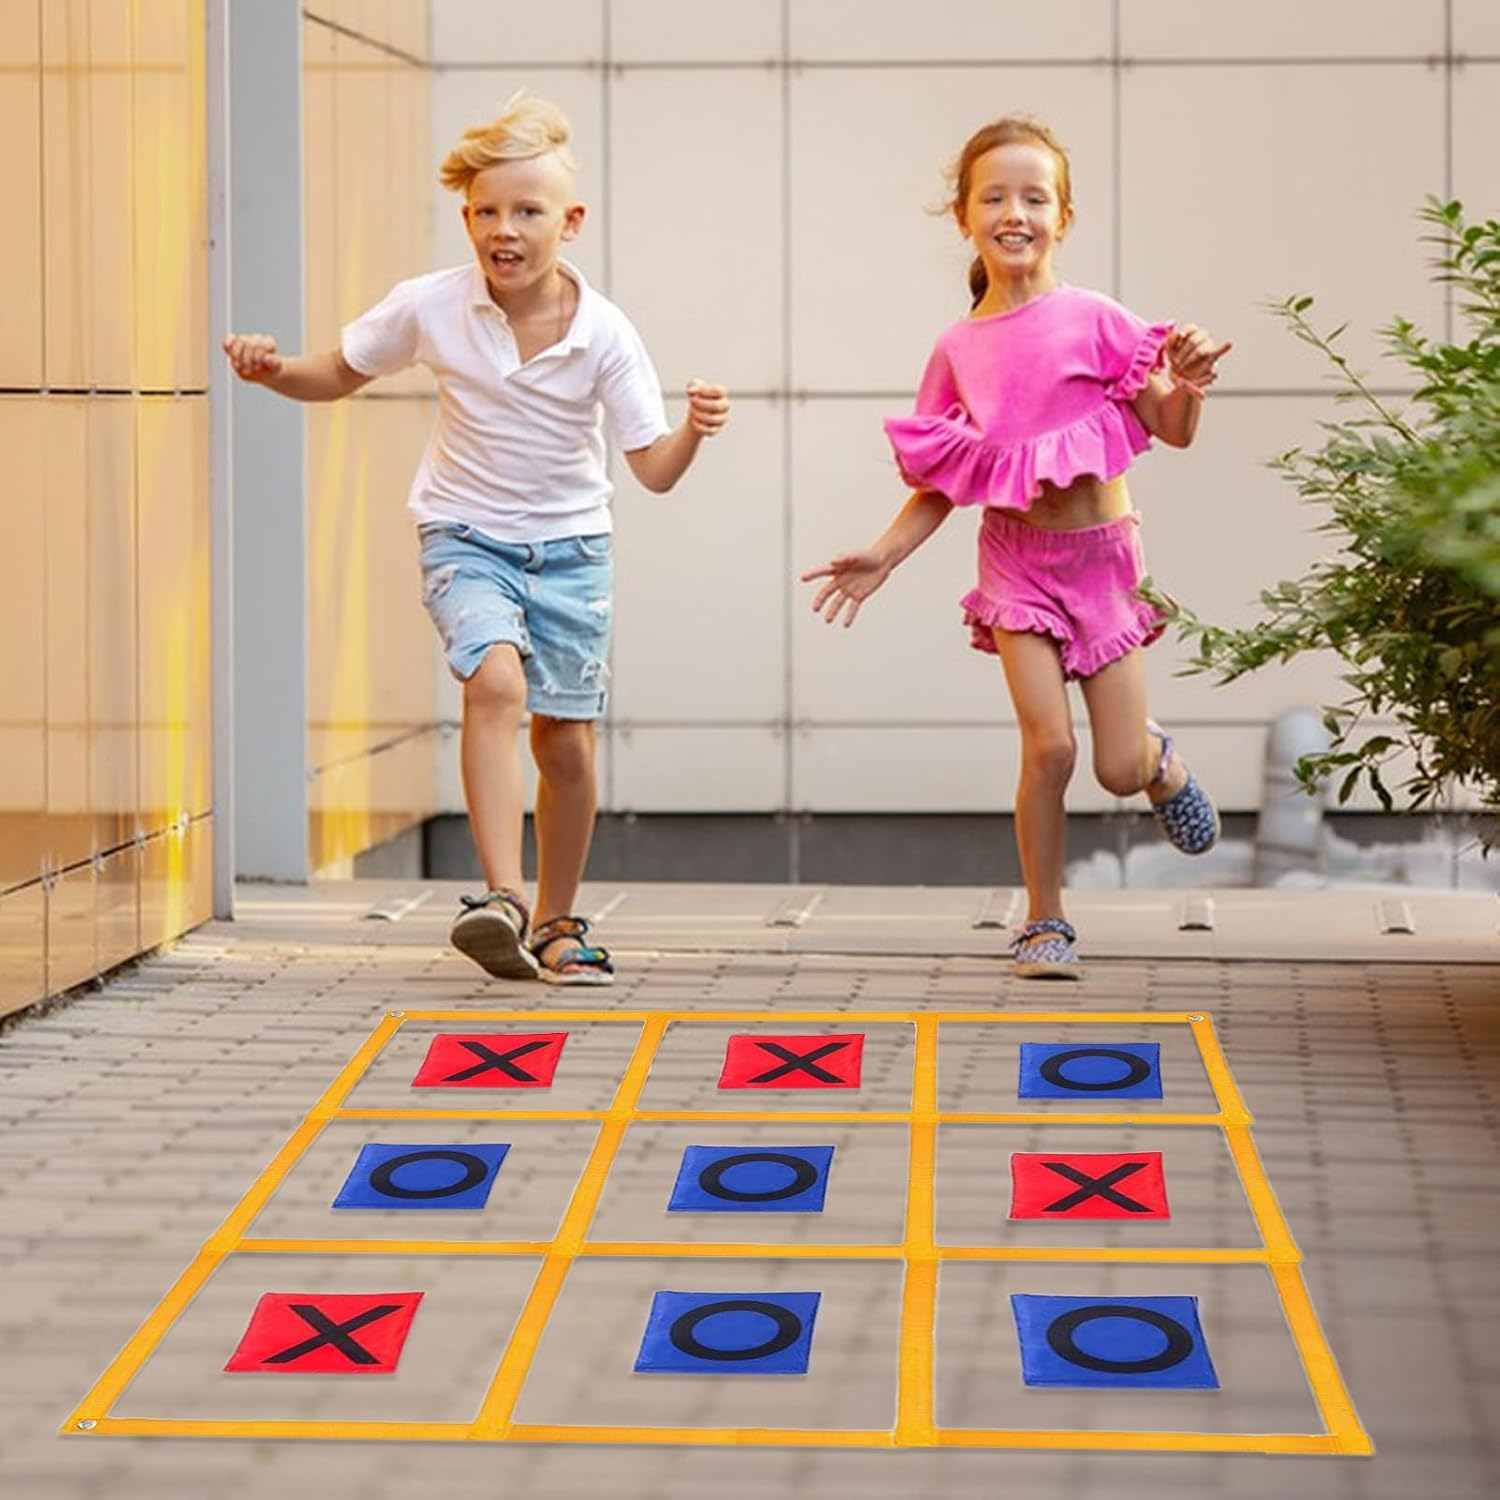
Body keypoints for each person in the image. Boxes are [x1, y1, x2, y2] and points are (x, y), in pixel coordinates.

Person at [224, 92, 729, 985]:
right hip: (465, 534)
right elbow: (338, 373)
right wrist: (272, 371)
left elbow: (650, 467)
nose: (505, 230)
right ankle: (501, 897)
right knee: (493, 682)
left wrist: (694, 428)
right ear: (466, 219)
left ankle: (559, 920)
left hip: (573, 550)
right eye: (487, 212)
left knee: (564, 743)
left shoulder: (606, 333)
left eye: (527, 212)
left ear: (569, 222)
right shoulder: (432, 306)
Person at [802, 115, 1230, 980]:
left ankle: (1156, 757)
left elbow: (1170, 428)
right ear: (964, 217)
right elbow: (944, 478)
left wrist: (1186, 387)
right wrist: (885, 555)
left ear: (1061, 217)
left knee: (1112, 768)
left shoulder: (1099, 320)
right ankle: (1045, 921)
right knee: (1050, 749)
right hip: (1017, 567)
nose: (1015, 212)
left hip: (1104, 562)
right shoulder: (958, 349)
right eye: (994, 196)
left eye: (1035, 197)